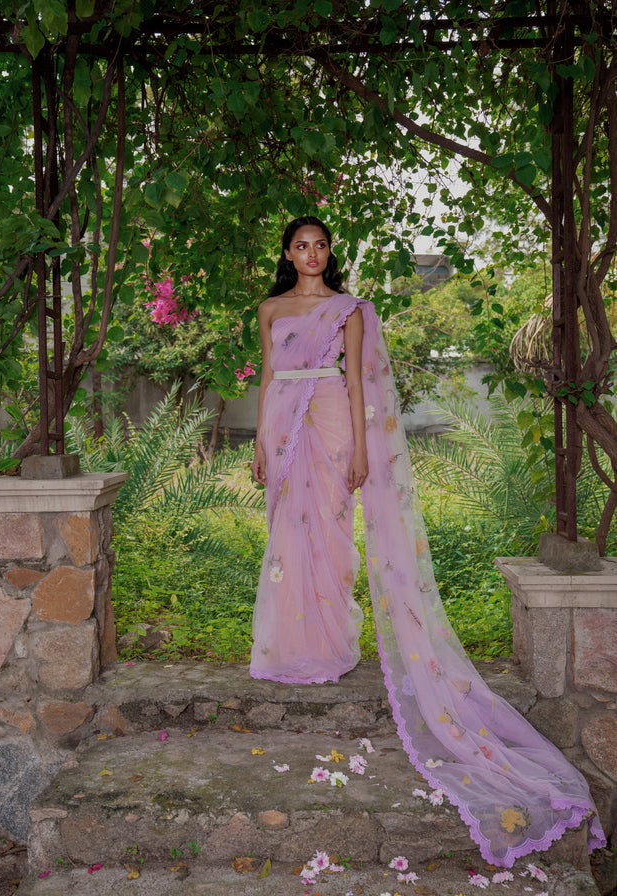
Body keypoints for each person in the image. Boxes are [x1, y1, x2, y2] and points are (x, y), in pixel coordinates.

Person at [250, 216, 606, 867]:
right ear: (287, 253)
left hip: (330, 418)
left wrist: (360, 448)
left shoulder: (351, 309)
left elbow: (357, 384)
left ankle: (330, 645)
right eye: (301, 245)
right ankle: (290, 646)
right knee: (286, 538)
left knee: (327, 531)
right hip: (282, 426)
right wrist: (257, 441)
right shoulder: (271, 308)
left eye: (320, 245)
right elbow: (269, 378)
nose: (311, 253)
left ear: (330, 253)